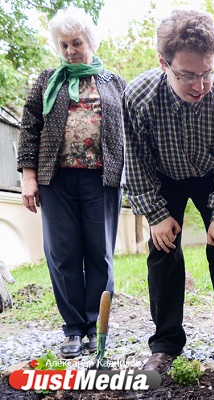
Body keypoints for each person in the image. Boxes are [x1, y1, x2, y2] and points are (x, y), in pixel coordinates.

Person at [122, 9, 214, 374]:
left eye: (208, 72)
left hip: (210, 173)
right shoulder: (138, 97)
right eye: (188, 75)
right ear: (164, 63)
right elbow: (137, 161)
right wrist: (157, 215)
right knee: (162, 251)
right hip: (163, 175)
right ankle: (165, 343)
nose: (200, 84)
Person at [17, 7, 126, 359]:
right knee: (63, 255)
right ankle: (73, 328)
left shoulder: (113, 82)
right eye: (63, 45)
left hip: (102, 179)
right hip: (56, 179)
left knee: (100, 254)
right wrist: (29, 178)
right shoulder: (49, 80)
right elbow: (30, 127)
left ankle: (96, 325)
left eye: (76, 43)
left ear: (90, 42)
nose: (70, 51)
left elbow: (131, 133)